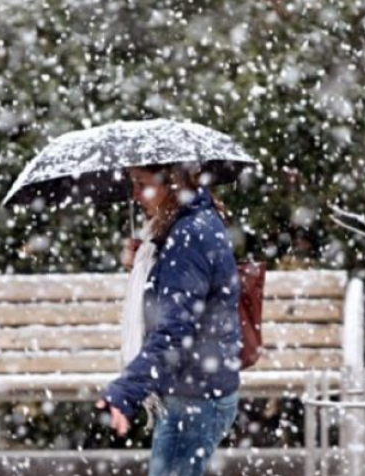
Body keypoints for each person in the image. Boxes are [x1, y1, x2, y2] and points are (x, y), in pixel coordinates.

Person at [96, 163, 242, 476]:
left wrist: (125, 390)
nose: (135, 194)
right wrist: (150, 261)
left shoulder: (187, 235)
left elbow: (175, 331)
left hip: (194, 396)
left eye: (142, 183)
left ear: (172, 184)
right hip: (198, 388)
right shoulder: (188, 225)